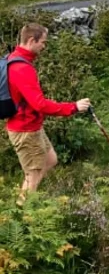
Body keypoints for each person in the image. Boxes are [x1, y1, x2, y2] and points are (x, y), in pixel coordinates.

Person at [5, 23, 91, 203]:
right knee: (33, 176)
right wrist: (73, 107)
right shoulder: (22, 68)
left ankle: (27, 195)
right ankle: (22, 215)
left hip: (32, 126)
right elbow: (40, 105)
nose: (44, 46)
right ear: (31, 40)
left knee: (50, 160)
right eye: (43, 42)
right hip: (25, 130)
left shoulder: (15, 59)